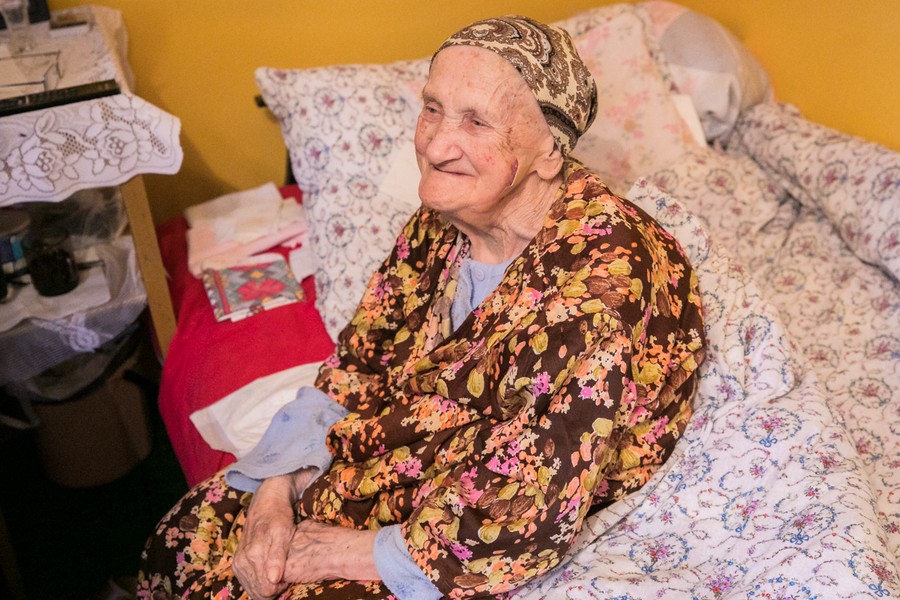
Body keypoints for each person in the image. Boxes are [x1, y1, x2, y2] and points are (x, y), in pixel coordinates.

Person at [138, 15, 706, 600]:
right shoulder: (444, 221)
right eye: (432, 109)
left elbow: (532, 499)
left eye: (476, 121)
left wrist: (342, 552)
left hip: (479, 527)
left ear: (549, 152)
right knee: (184, 537)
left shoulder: (602, 283)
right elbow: (360, 361)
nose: (435, 146)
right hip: (401, 461)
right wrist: (275, 492)